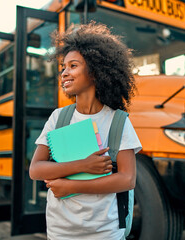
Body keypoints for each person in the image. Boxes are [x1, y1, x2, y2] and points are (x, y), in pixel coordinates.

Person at [29, 21, 142, 240]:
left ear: (95, 71)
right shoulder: (58, 117)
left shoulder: (118, 121)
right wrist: (83, 166)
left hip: (105, 232)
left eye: (73, 66)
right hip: (60, 230)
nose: (64, 73)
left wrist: (71, 185)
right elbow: (36, 169)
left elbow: (127, 179)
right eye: (63, 67)